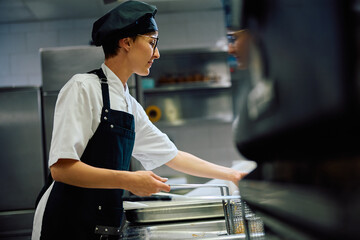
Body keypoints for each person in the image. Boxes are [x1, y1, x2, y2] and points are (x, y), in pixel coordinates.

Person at [32, 1, 247, 239]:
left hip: (103, 227)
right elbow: (62, 169)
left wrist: (231, 175)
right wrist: (129, 180)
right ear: (126, 42)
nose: (156, 53)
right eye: (152, 42)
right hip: (65, 224)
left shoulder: (128, 103)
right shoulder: (83, 87)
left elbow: (172, 155)